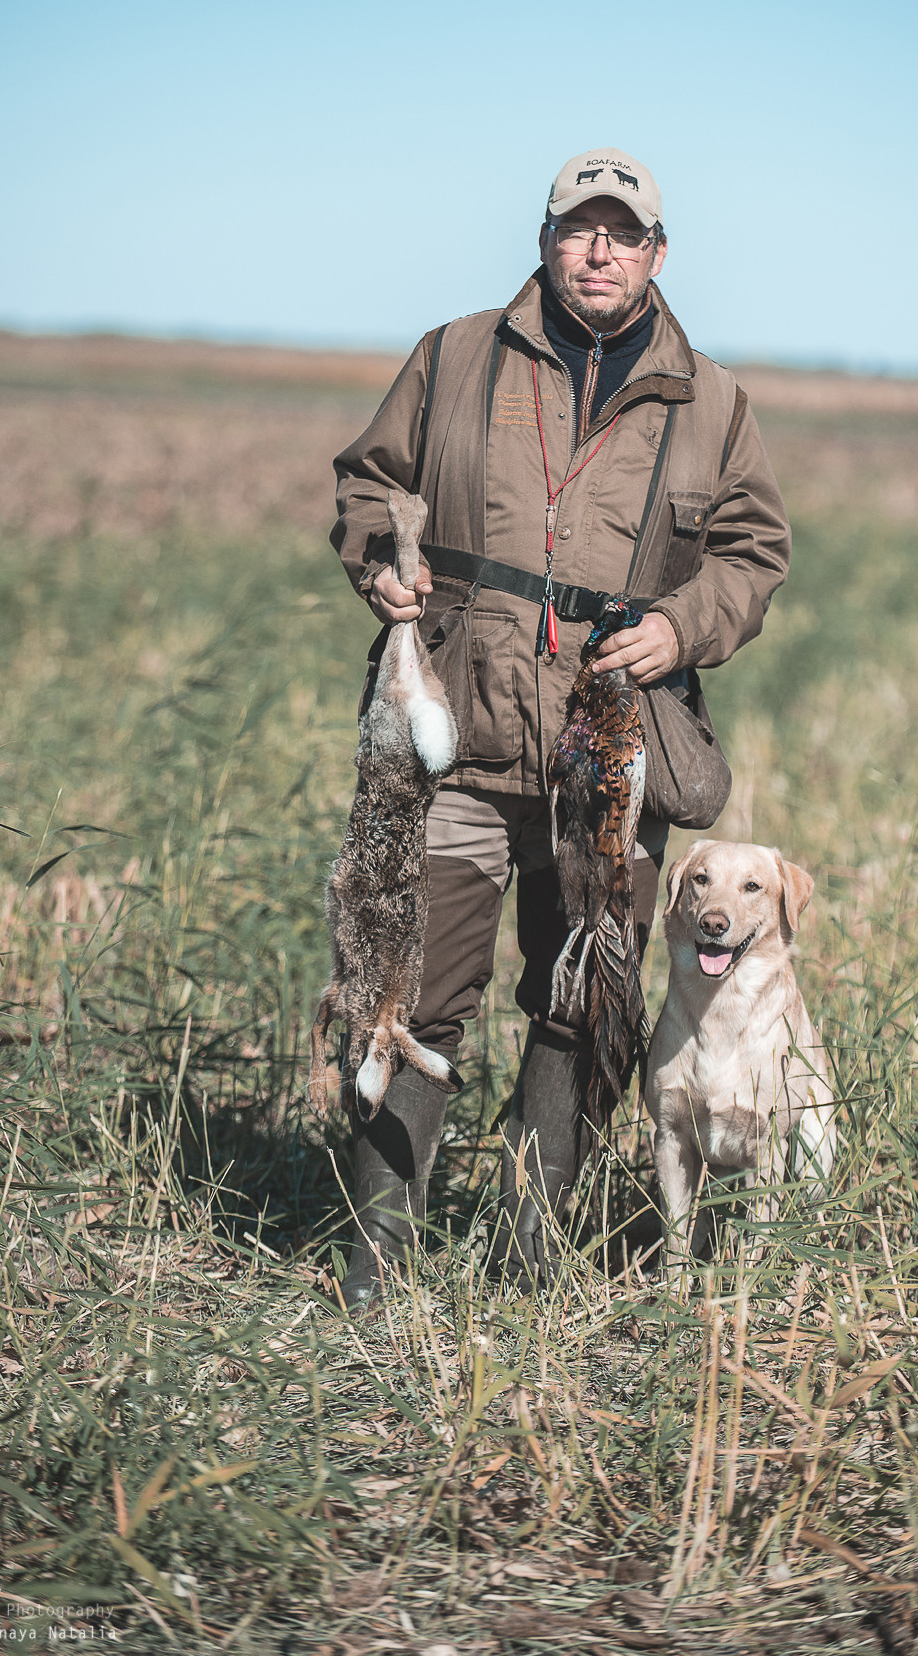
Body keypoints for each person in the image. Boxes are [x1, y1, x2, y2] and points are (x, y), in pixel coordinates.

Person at [329, 148, 791, 1304]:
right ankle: (373, 1276)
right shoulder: (455, 355)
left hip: (610, 751)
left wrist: (682, 629)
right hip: (456, 738)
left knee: (581, 997)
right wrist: (386, 563)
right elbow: (368, 485)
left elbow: (752, 555)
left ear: (656, 252)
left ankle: (534, 1271)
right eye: (579, 229)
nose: (599, 250)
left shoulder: (712, 402)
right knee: (410, 990)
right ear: (545, 240)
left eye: (621, 233)